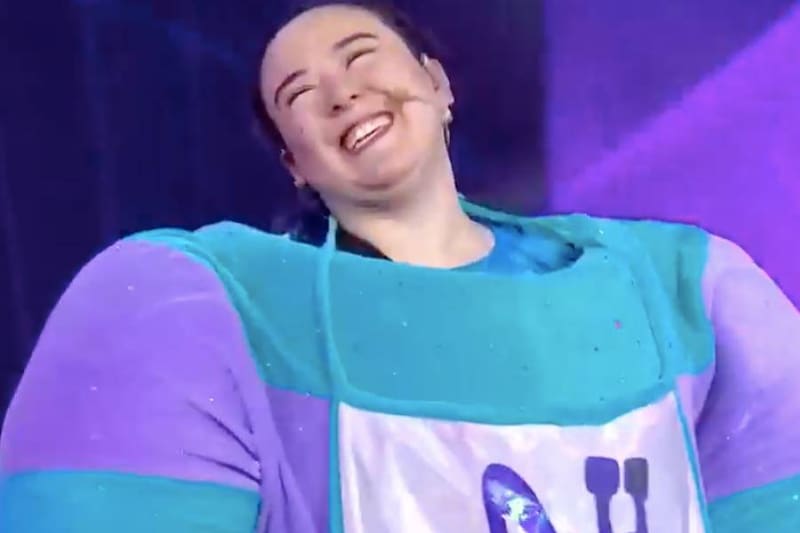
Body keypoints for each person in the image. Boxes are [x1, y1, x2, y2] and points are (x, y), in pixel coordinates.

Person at [1, 2, 799, 532]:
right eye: (299, 95)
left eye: (360, 58)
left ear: (436, 84)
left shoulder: (678, 287)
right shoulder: (219, 310)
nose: (343, 95)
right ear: (294, 163)